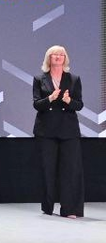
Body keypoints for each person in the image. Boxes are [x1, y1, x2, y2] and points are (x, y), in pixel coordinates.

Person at [32, 45, 84, 218]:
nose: (58, 57)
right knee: (48, 169)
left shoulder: (74, 79)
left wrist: (69, 101)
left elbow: (79, 105)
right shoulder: (39, 79)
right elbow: (36, 104)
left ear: (65, 58)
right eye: (55, 54)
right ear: (49, 58)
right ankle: (48, 207)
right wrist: (50, 98)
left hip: (68, 130)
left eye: (61, 55)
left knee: (70, 170)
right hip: (46, 130)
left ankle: (70, 209)